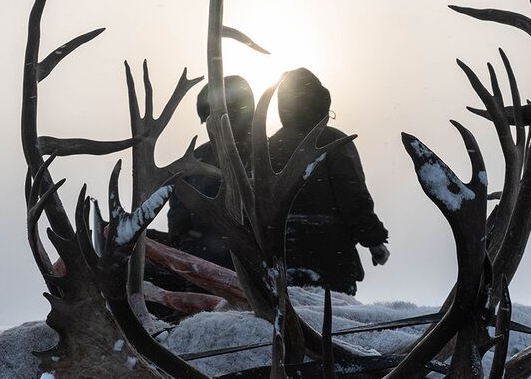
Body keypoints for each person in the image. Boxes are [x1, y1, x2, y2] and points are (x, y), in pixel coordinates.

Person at [268, 68, 389, 295]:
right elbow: (353, 197)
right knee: (333, 324)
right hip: (331, 261)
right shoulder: (334, 142)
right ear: (321, 104)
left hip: (281, 260)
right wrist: (374, 241)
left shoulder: (267, 148)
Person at [165, 75, 255, 269]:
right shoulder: (191, 164)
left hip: (257, 271)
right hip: (206, 269)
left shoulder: (271, 155)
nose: (210, 125)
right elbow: (179, 226)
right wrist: (193, 258)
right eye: (207, 118)